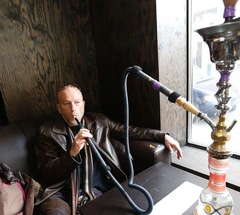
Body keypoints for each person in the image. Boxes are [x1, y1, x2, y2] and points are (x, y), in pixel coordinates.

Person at [34, 84, 182, 215]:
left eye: (77, 102)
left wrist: (162, 136)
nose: (73, 108)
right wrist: (72, 152)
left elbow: (129, 130)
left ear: (83, 104)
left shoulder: (99, 121)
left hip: (96, 189)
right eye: (67, 103)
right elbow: (49, 174)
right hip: (60, 192)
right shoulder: (47, 132)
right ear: (59, 108)